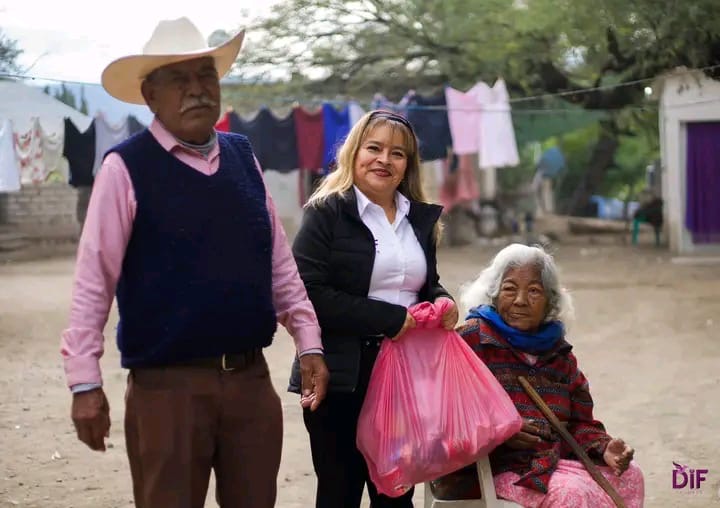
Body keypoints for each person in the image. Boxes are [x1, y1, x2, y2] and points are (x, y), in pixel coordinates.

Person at [60, 17, 329, 508]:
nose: (197, 91)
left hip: (250, 383)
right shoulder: (126, 168)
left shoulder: (242, 155)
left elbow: (277, 264)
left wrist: (308, 341)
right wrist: (85, 381)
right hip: (167, 389)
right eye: (179, 80)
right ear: (150, 95)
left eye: (206, 76)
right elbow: (93, 282)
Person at [288, 110, 459, 508]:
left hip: (404, 373)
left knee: (396, 495)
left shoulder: (417, 219)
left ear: (408, 166)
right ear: (354, 153)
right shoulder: (326, 211)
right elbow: (306, 292)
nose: (384, 160)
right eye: (374, 148)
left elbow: (422, 281)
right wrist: (390, 318)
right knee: (339, 492)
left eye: (397, 154)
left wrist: (441, 298)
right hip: (342, 373)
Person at [444, 243, 644, 507]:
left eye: (534, 291)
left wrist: (604, 448)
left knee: (631, 476)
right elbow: (443, 415)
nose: (520, 300)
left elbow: (578, 423)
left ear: (550, 301)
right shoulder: (472, 339)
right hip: (492, 471)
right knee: (570, 494)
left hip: (550, 463)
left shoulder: (558, 353)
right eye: (509, 289)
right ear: (494, 294)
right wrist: (500, 432)